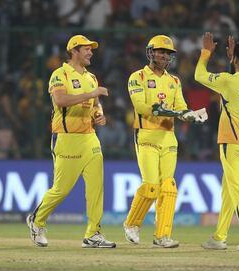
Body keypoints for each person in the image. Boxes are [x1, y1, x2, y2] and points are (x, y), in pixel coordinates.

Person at [26, 34, 116, 249]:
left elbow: (95, 105)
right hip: (66, 139)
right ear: (74, 51)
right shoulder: (60, 74)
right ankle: (36, 221)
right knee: (61, 189)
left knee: (96, 187)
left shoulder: (91, 77)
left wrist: (99, 114)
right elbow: (61, 100)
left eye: (91, 49)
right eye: (87, 49)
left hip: (90, 138)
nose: (91, 52)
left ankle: (93, 234)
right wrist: (91, 93)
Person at [123, 35, 207, 248]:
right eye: (160, 51)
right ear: (150, 52)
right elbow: (141, 106)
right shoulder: (137, 77)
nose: (163, 55)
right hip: (146, 136)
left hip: (168, 137)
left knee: (168, 187)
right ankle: (132, 224)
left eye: (167, 53)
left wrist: (191, 114)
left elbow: (181, 106)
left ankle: (162, 236)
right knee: (151, 186)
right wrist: (162, 110)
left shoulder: (174, 81)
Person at [195, 32, 239, 251]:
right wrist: (234, 60)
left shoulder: (227, 80)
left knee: (236, 188)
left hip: (230, 141)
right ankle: (219, 237)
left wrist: (206, 52)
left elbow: (199, 75)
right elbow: (238, 81)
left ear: (235, 60)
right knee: (229, 189)